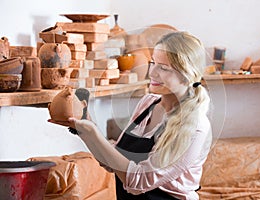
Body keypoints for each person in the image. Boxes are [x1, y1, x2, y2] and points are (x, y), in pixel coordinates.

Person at [48, 31, 212, 200]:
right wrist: (82, 126)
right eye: (153, 63)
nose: (152, 73)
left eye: (163, 68)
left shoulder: (195, 126)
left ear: (186, 75)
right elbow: (111, 161)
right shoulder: (148, 103)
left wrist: (93, 133)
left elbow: (139, 181)